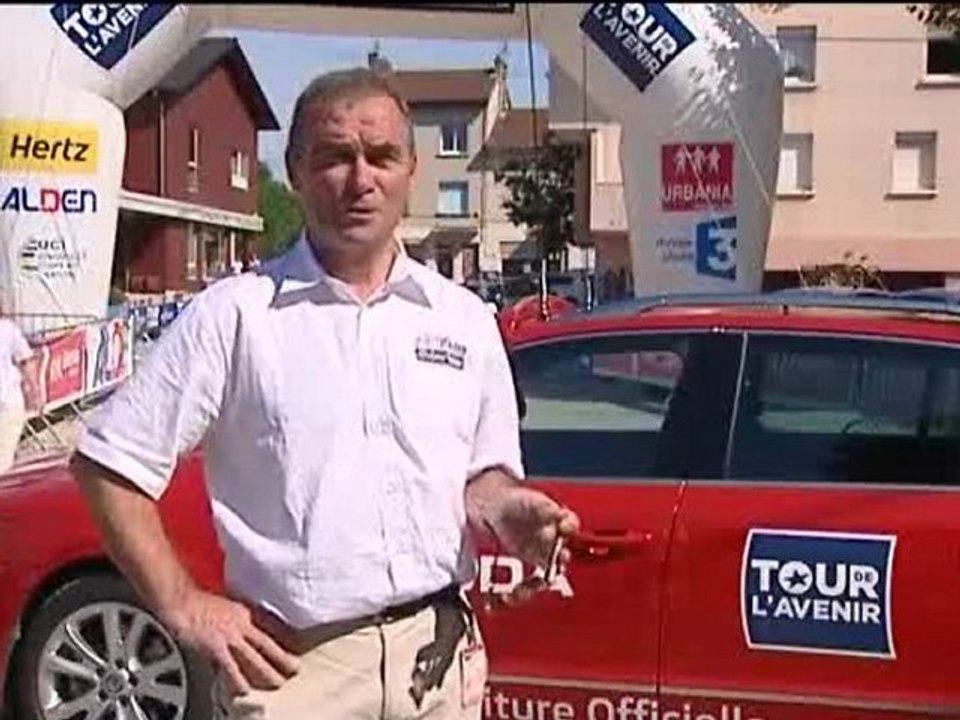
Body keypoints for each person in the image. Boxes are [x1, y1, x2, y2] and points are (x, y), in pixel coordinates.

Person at [69, 67, 580, 719]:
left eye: (382, 157)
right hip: (300, 673)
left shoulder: (464, 319)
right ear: (297, 170)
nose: (360, 180)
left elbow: (483, 477)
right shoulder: (237, 316)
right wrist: (182, 604)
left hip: (439, 660)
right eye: (335, 157)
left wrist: (508, 509)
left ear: (411, 169)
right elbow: (109, 464)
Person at [0, 300, 36, 473]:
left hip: (6, 403)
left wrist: (33, 390)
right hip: (8, 401)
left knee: (3, 461)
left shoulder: (7, 329)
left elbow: (26, 361)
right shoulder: (8, 329)